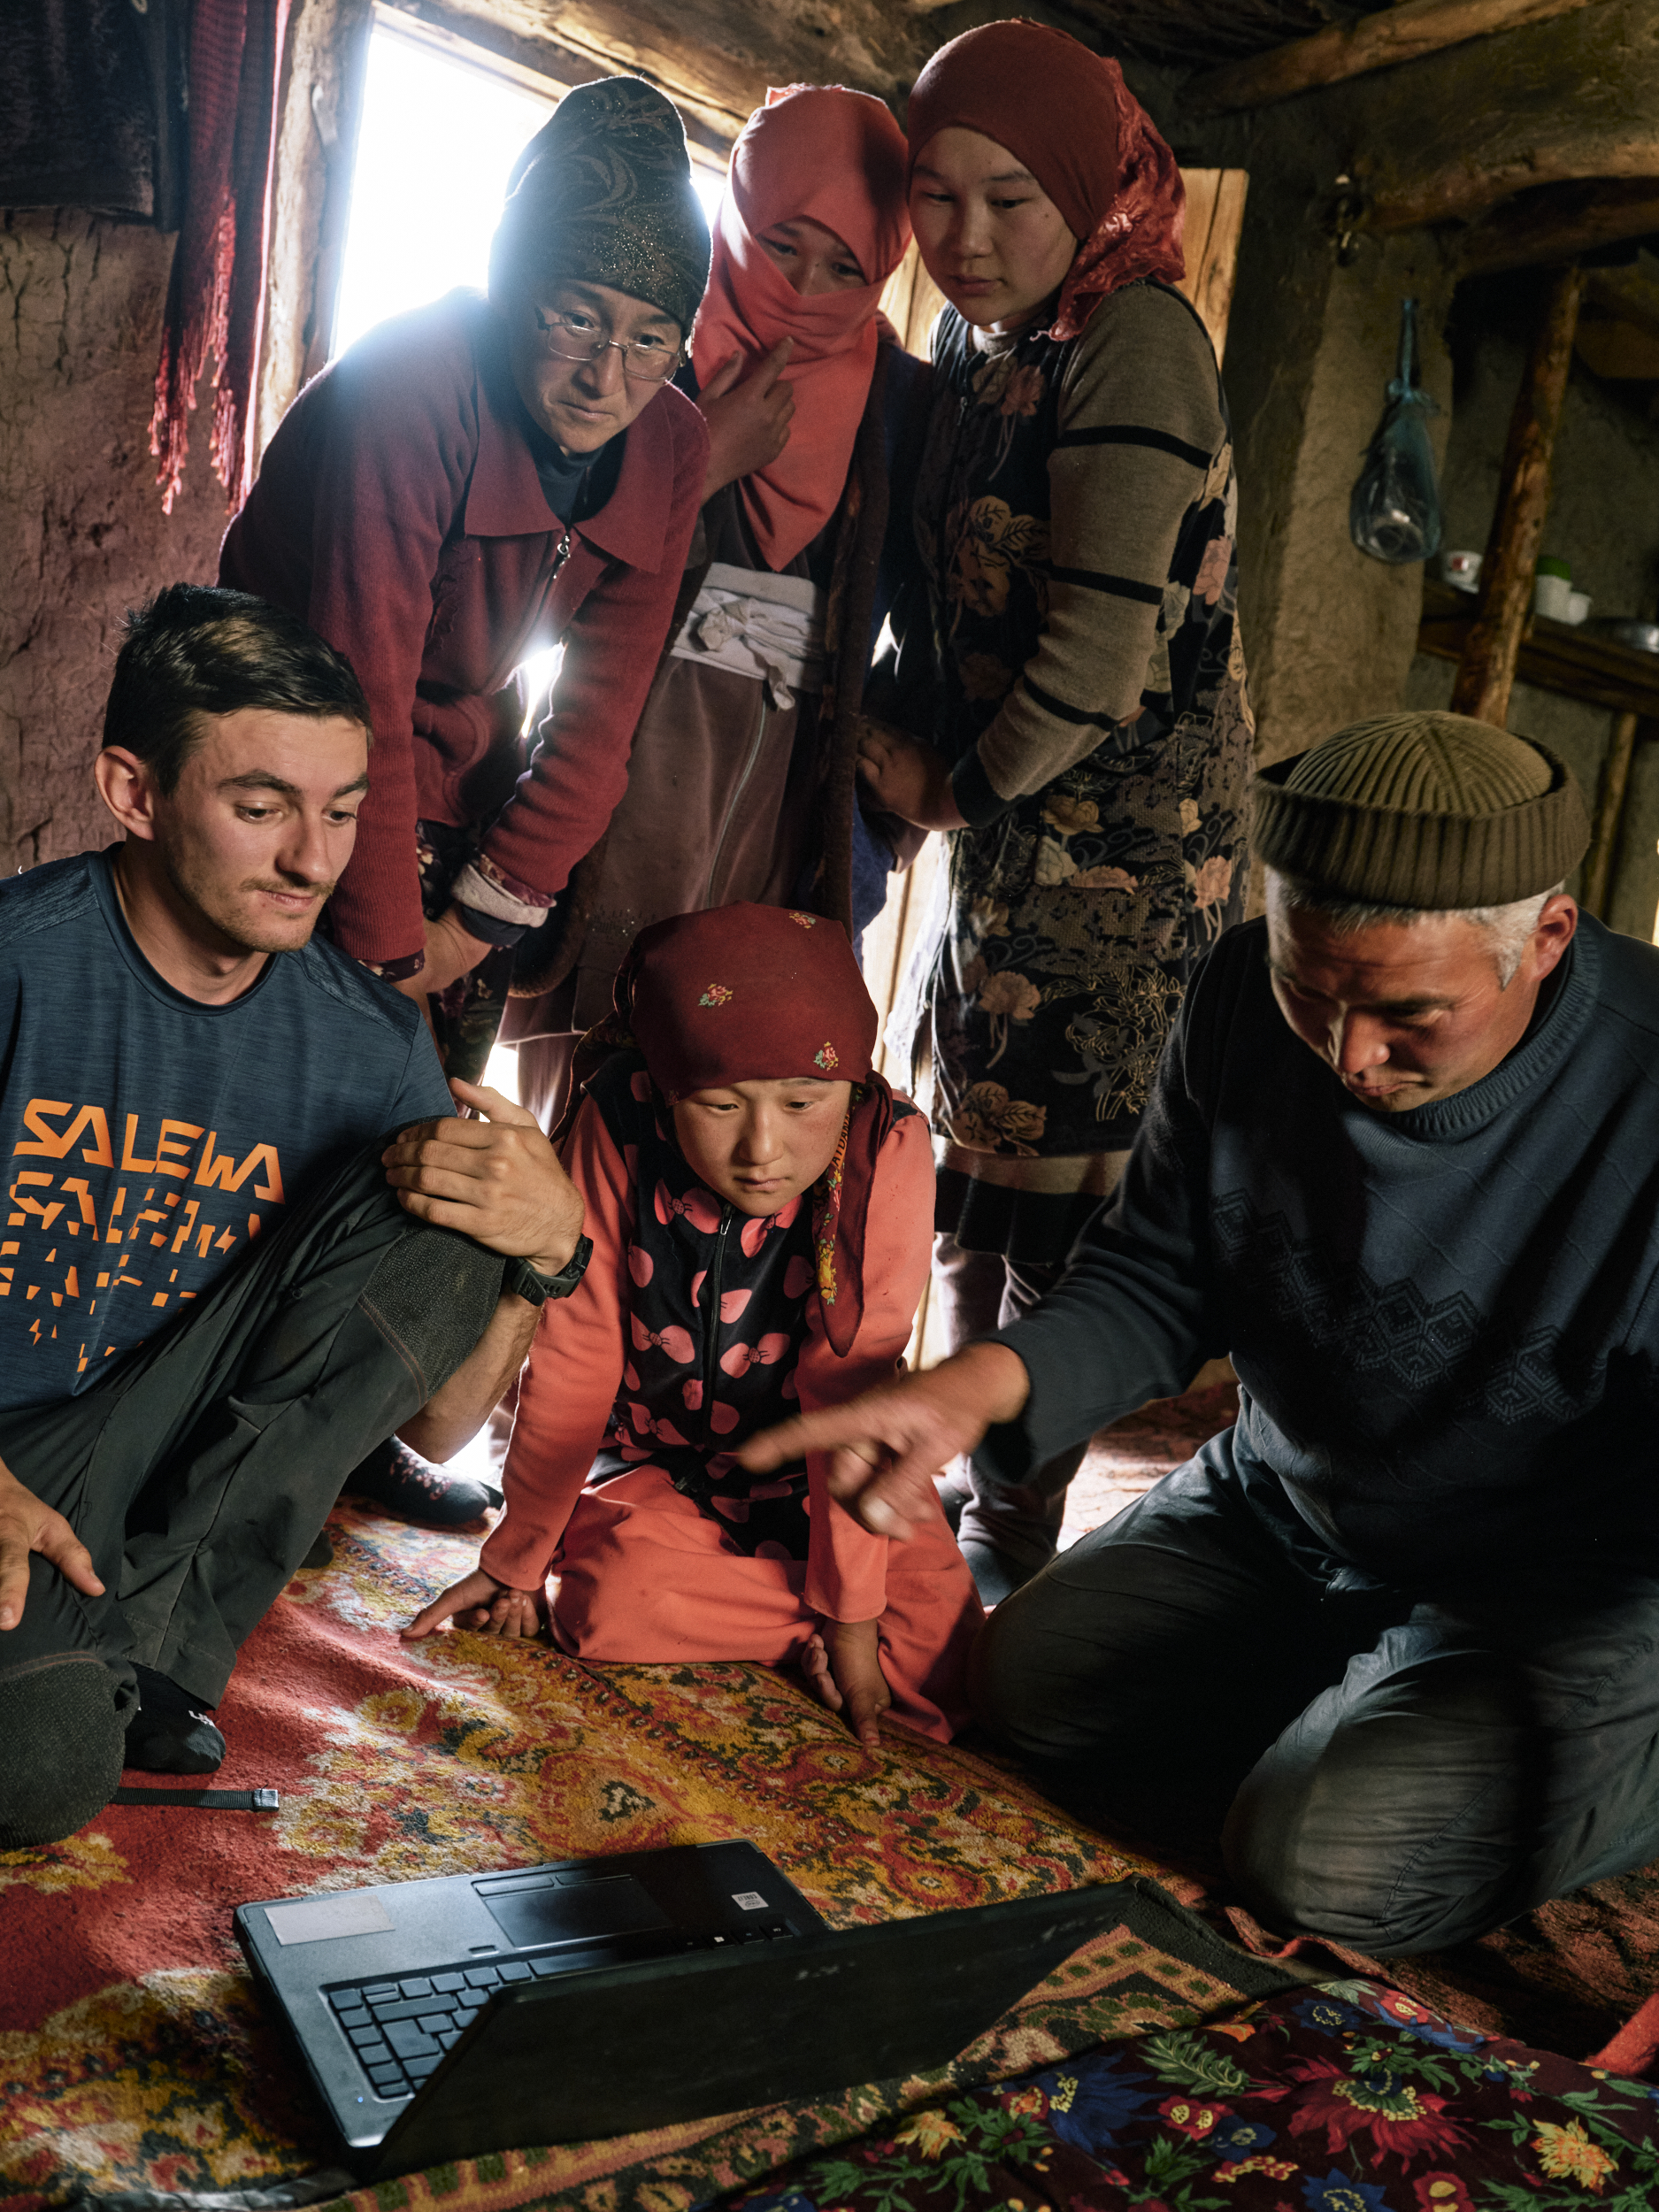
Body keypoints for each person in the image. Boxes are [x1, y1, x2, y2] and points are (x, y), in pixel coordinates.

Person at [739, 710, 1659, 1959]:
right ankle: (1357, 1695)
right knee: (1020, 1686)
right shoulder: (1237, 991)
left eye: (1408, 1014)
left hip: (1547, 1586)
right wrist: (977, 1385)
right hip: (1287, 1508)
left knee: (1311, 1866)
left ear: (1546, 936)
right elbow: (1159, 1273)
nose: (1349, 1058)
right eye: (1310, 992)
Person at [0, 586, 588, 1850]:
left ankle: (158, 1649)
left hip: (151, 1464)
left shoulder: (370, 1043)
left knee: (450, 1201)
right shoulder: (18, 965)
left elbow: (435, 1424)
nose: (314, 862)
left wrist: (546, 1256)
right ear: (134, 792)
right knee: (39, 1771)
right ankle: (84, 1662)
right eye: (261, 807)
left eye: (342, 811)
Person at [853, 21, 1253, 1604]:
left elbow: (1095, 659)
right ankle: (956, 1487)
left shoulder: (1132, 341)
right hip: (1015, 842)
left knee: (1066, 1200)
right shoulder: (987, 343)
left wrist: (943, 789)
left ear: (1085, 194)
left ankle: (1009, 1529)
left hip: (1119, 854)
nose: (963, 239)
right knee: (986, 1159)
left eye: (1009, 200)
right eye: (935, 197)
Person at [219, 77, 711, 1078]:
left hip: (450, 760)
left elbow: (601, 720)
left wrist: (471, 928)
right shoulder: (411, 382)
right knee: (271, 1091)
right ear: (511, 287)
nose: (606, 377)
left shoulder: (671, 443)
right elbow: (358, 688)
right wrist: (392, 959)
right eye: (575, 319)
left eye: (651, 339)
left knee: (430, 1120)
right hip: (281, 734)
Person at [406, 903, 981, 1746]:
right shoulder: (616, 1119)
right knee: (613, 1606)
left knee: (952, 1662)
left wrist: (852, 1617)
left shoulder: (882, 1147)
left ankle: (804, 1612)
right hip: (655, 1461)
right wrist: (517, 1558)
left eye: (801, 1101)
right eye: (718, 1106)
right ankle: (791, 1615)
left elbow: (849, 1390)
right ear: (666, 1088)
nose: (762, 1149)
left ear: (851, 1088)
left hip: (828, 1467)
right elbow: (575, 1356)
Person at [503, 82, 926, 1133]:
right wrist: (703, 463)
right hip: (625, 776)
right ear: (740, 219)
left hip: (782, 805)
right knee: (585, 1103)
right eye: (784, 248)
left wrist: (891, 805)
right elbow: (548, 576)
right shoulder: (652, 353)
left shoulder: (903, 409)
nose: (807, 291)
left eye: (847, 268)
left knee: (734, 1098)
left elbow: (934, 623)